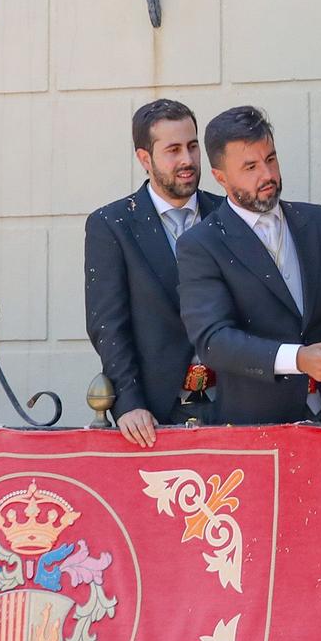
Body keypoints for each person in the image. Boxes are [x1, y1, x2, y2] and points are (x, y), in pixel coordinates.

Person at [177, 106, 321, 425]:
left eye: (271, 159)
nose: (266, 175)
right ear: (220, 178)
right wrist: (298, 359)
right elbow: (215, 341)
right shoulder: (201, 245)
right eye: (250, 167)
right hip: (258, 427)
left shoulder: (319, 222)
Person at [84, 99, 224, 446]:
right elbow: (108, 325)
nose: (187, 160)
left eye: (193, 147)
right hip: (155, 413)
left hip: (233, 406)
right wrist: (129, 404)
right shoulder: (111, 225)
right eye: (173, 150)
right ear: (144, 158)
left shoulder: (227, 215)